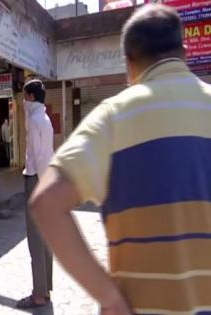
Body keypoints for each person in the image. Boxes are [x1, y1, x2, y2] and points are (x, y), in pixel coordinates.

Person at [30, 4, 211, 314]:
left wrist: (109, 296)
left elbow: (46, 202)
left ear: (129, 64)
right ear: (183, 52)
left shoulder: (113, 117)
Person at [16, 79, 54, 309]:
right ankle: (45, 288)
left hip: (36, 180)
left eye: (24, 96)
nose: (22, 101)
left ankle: (39, 294)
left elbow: (38, 156)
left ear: (30, 97)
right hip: (44, 178)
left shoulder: (35, 119)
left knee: (36, 240)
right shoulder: (44, 119)